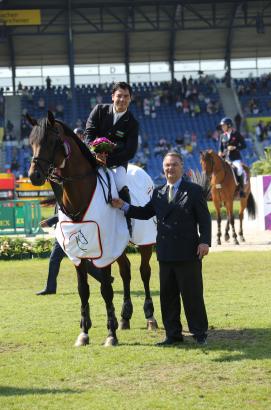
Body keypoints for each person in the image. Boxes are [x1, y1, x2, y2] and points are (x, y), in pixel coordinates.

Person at [112, 151, 211, 346]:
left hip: (188, 253)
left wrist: (205, 241)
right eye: (167, 165)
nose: (170, 168)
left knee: (192, 296)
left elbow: (204, 219)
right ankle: (173, 335)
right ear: (163, 168)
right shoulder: (158, 192)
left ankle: (199, 333)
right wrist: (123, 206)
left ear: (181, 167)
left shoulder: (194, 191)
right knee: (168, 297)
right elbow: (144, 212)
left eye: (174, 164)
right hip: (165, 253)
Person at [84, 81, 139, 236]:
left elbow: (130, 151)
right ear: (113, 96)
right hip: (93, 158)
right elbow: (88, 135)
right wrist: (95, 154)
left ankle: (128, 221)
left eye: (126, 96)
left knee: (121, 184)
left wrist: (108, 161)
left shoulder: (132, 123)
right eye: (119, 96)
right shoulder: (99, 110)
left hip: (117, 163)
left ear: (130, 99)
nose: (122, 99)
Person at [36, 212, 103, 295]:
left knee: (74, 259)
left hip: (69, 233)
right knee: (59, 260)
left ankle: (50, 288)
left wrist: (50, 221)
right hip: (63, 232)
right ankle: (103, 278)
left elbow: (66, 211)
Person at [218, 117, 247, 197]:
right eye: (222, 126)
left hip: (235, 158)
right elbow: (220, 149)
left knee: (239, 170)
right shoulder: (222, 136)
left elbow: (244, 145)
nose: (222, 127)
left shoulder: (236, 134)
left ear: (229, 125)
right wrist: (220, 153)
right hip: (225, 159)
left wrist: (235, 147)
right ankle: (218, 189)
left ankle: (241, 189)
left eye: (224, 125)